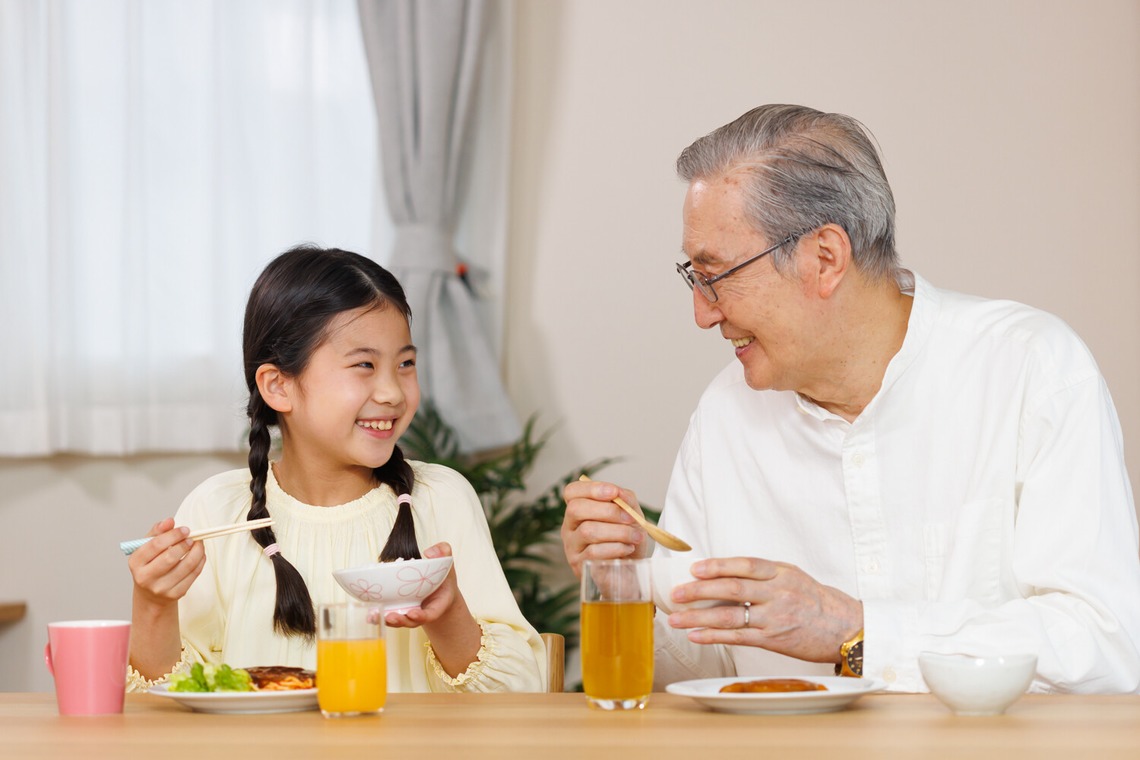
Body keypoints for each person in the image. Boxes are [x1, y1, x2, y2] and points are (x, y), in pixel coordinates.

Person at [561, 104, 1140, 694]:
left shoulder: (1030, 368)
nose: (702, 313)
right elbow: (697, 676)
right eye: (695, 276)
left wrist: (854, 631)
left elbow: (1107, 645)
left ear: (825, 258)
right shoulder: (725, 413)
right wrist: (625, 582)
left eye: (717, 275)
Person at [127, 245, 545, 692]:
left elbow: (521, 694)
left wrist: (449, 617)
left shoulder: (441, 499)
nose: (391, 392)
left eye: (405, 364)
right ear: (279, 386)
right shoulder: (217, 509)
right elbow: (172, 703)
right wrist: (153, 604)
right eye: (364, 365)